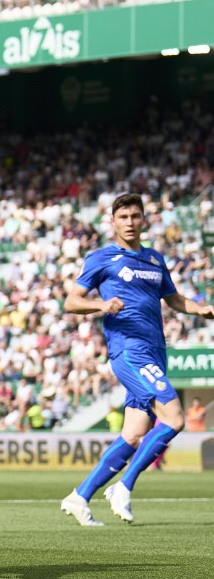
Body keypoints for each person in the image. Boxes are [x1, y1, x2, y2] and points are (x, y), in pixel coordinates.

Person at [60, 193, 214, 526]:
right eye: (124, 217)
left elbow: (173, 299)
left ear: (144, 220)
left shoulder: (155, 260)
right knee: (174, 419)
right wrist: (100, 306)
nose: (130, 222)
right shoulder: (102, 258)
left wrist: (199, 308)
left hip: (156, 351)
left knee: (133, 433)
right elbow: (72, 302)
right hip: (130, 351)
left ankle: (79, 496)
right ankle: (124, 487)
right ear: (113, 222)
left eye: (135, 216)